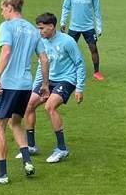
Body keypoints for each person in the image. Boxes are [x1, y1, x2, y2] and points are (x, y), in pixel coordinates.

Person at [0, 0, 39, 184]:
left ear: (10, 7)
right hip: (26, 85)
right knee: (15, 122)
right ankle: (27, 161)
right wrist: (43, 84)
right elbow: (43, 58)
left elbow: (6, 50)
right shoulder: (33, 30)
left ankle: (1, 174)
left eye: (2, 9)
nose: (2, 13)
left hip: (9, 84)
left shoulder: (7, 26)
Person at [22, 13, 85, 163]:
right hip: (48, 80)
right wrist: (35, 88)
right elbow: (41, 65)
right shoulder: (41, 41)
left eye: (42, 28)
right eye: (38, 28)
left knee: (50, 107)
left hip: (66, 80)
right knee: (28, 105)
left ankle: (62, 149)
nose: (39, 31)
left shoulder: (67, 41)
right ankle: (31, 146)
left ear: (51, 26)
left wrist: (79, 88)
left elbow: (79, 63)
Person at [60, 0, 104, 80]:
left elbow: (97, 10)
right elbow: (66, 7)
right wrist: (63, 22)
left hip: (88, 27)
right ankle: (67, 71)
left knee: (93, 48)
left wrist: (99, 27)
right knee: (68, 49)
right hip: (74, 27)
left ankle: (96, 72)